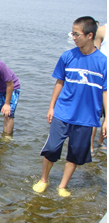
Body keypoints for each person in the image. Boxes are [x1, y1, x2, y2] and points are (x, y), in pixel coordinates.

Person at [33, 16, 107, 197]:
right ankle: (44, 179)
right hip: (63, 111)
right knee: (51, 148)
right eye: (72, 33)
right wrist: (51, 107)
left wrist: (107, 120)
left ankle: (62, 186)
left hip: (87, 116)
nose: (73, 37)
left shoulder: (103, 62)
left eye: (76, 34)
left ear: (90, 35)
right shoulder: (67, 56)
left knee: (75, 154)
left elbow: (105, 91)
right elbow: (59, 82)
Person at [91, 22, 107, 152]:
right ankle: (90, 145)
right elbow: (94, 54)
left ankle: (100, 141)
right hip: (100, 79)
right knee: (95, 114)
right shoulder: (103, 30)